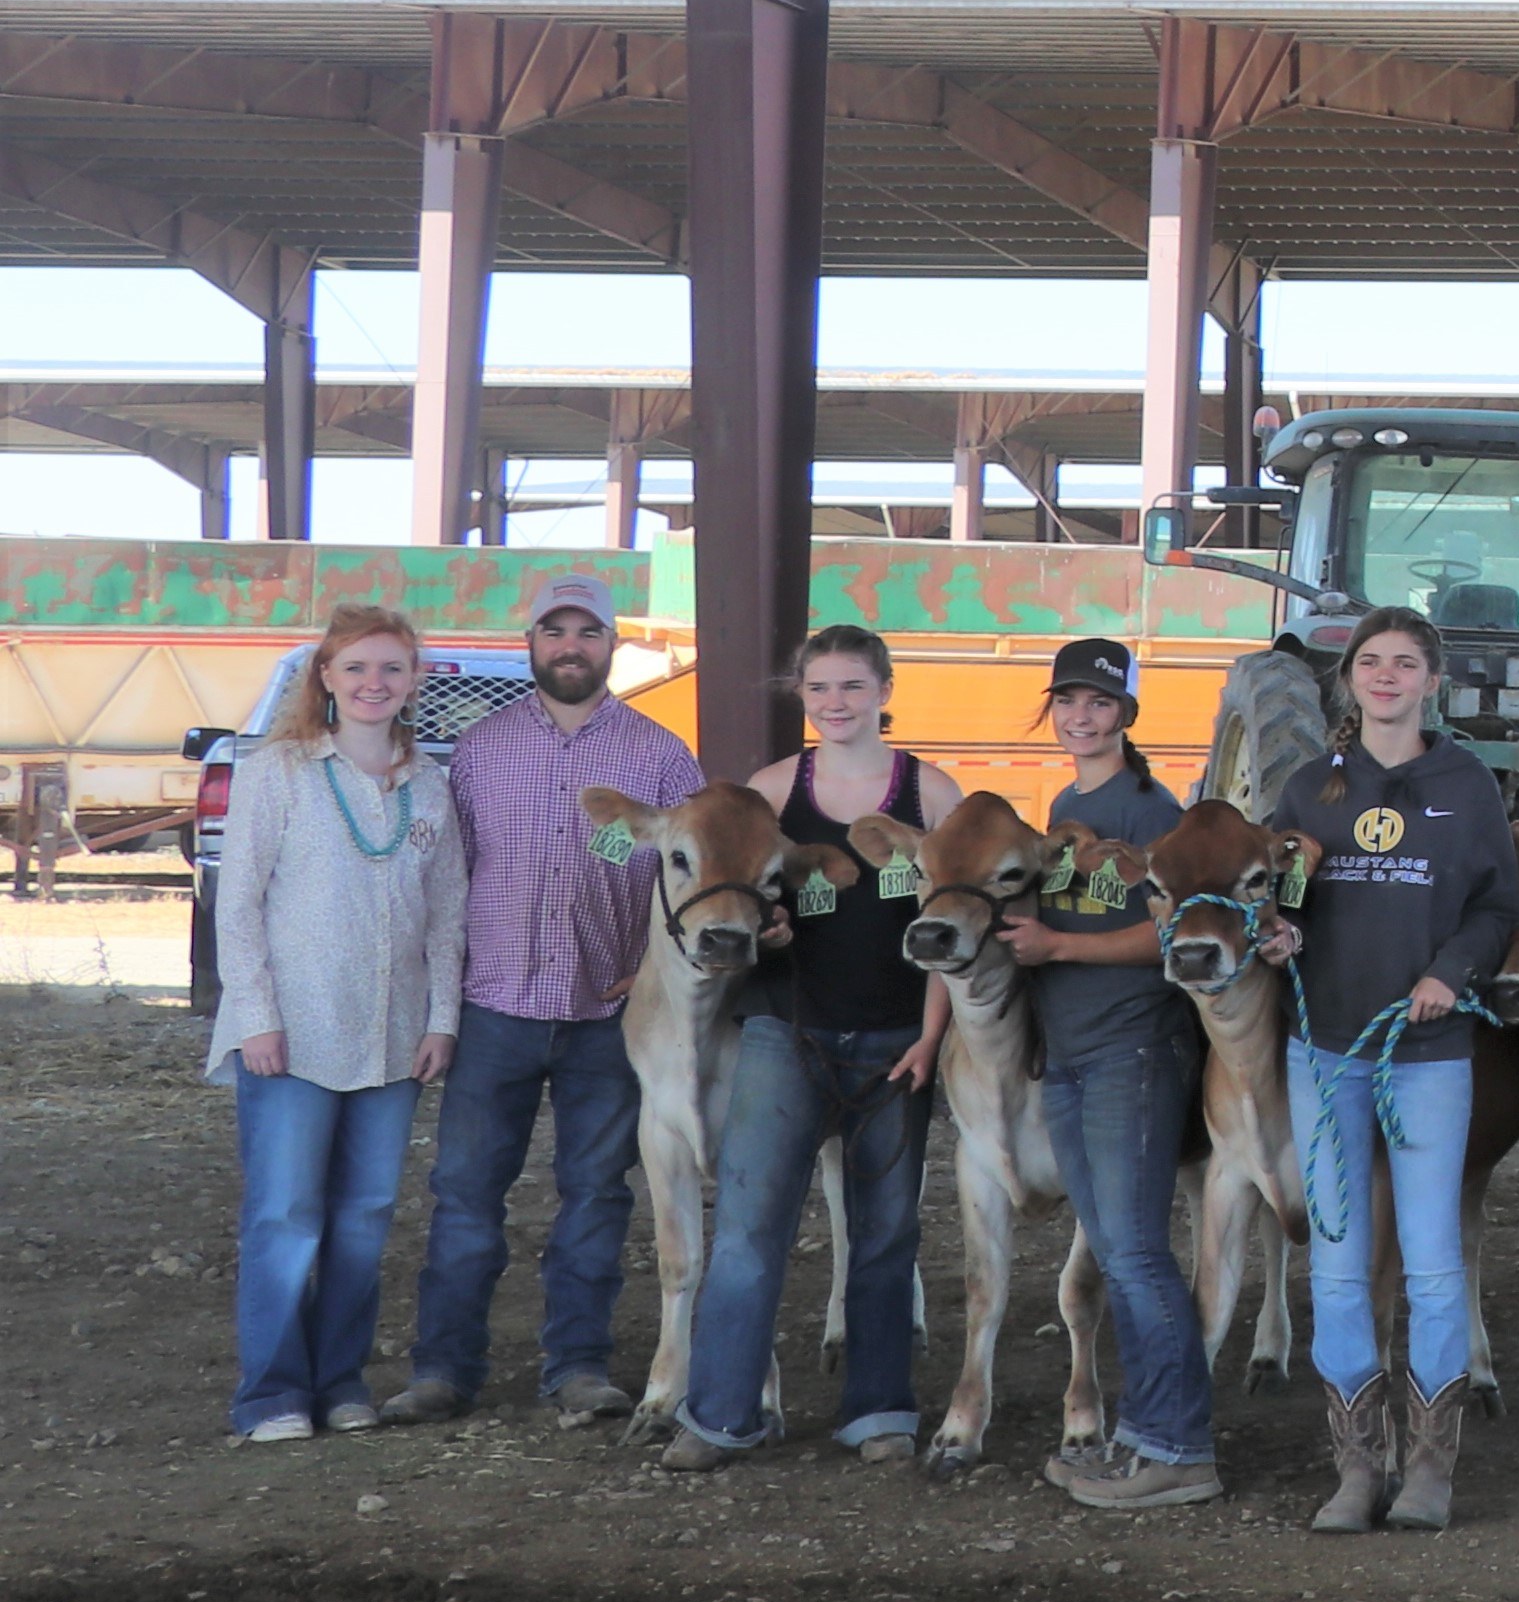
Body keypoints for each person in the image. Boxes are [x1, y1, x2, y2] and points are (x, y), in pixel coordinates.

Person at [665, 626, 962, 1471]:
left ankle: (879, 1413)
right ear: (802, 694)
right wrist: (770, 926)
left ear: (884, 688)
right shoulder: (765, 791)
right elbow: (727, 897)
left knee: (885, 1233)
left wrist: (934, 1039)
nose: (836, 703)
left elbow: (953, 925)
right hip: (784, 1030)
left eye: (853, 687)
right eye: (820, 688)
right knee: (751, 1227)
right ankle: (719, 1413)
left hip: (897, 1037)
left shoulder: (930, 791)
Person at [410, 572, 701, 1431]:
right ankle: (443, 1371)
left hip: (605, 1016)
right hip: (493, 1003)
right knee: (465, 1194)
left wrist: (649, 964)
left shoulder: (659, 755)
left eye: (587, 632)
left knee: (596, 1194)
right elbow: (441, 878)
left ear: (613, 645)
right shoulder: (479, 749)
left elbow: (695, 873)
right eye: (554, 631)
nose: (570, 646)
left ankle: (577, 1366)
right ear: (530, 643)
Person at [1267, 608, 1519, 1533]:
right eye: (1370, 662)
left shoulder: (1466, 784)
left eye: (1404, 663)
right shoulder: (1309, 787)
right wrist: (1278, 930)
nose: (1385, 676)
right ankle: (1355, 1467)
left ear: (1432, 681)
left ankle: (1430, 1468)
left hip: (1426, 1055)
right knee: (1335, 1267)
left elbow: (1498, 907)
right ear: (1347, 680)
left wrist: (1447, 974)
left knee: (1432, 1263)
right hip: (1324, 1050)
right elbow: (1274, 888)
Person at [208, 605, 464, 1444]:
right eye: (355, 668)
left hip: (392, 1037)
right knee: (285, 1214)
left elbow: (446, 917)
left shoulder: (430, 784)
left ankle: (340, 1378)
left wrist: (442, 1020)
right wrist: (254, 1015)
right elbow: (238, 901)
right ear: (325, 677)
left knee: (365, 1214)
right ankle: (272, 1393)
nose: (372, 684)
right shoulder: (279, 769)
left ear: (415, 680)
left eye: (391, 668)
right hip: (293, 1033)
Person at [997, 638, 1220, 1509]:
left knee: (1133, 1253)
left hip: (1134, 1047)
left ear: (1128, 714)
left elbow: (1173, 934)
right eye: (1068, 701)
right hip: (1071, 1055)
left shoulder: (1148, 810)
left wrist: (1056, 946)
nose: (1080, 716)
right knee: (1116, 1252)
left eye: (1098, 703)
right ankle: (1142, 1437)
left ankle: (1180, 1449)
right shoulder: (1065, 801)